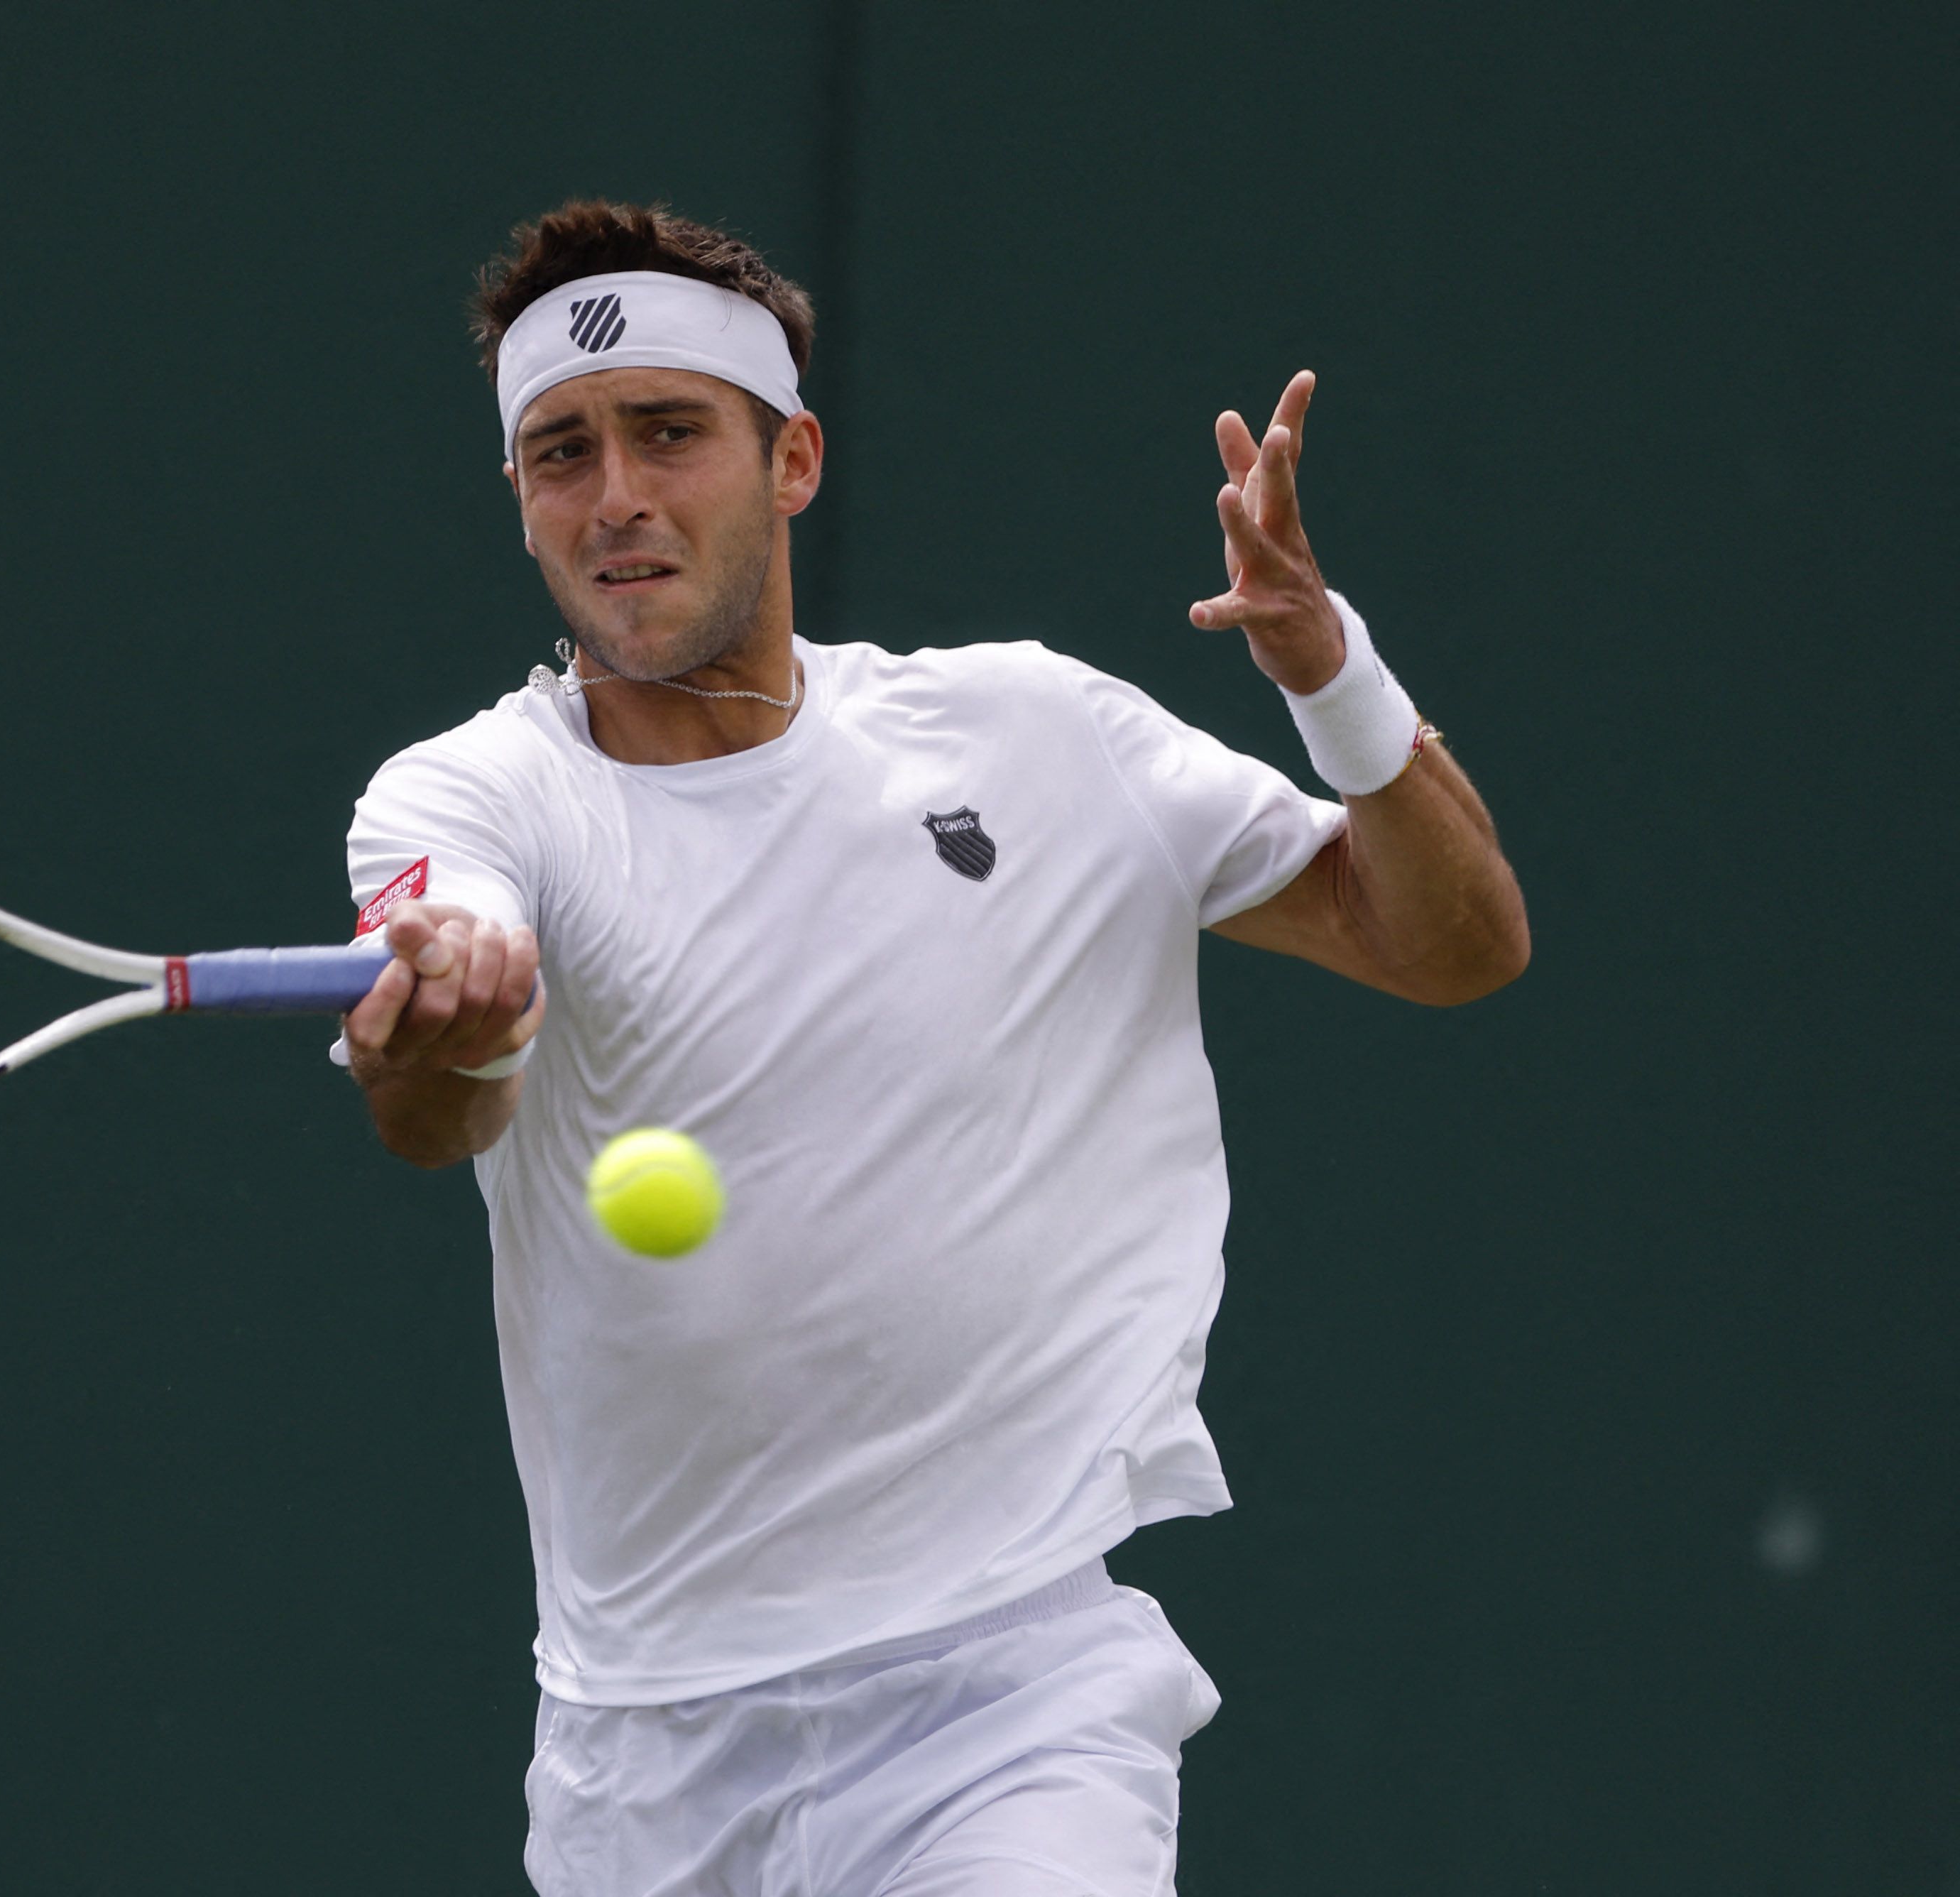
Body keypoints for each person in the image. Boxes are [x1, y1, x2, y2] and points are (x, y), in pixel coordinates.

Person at [335, 200, 1528, 1897]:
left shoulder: (1032, 732)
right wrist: (443, 1020)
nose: (614, 498)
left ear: (792, 459)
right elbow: (435, 1109)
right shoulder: (464, 799)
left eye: (668, 432)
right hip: (642, 1765)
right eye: (559, 452)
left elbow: (1451, 943)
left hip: (1010, 1702)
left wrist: (1328, 672)